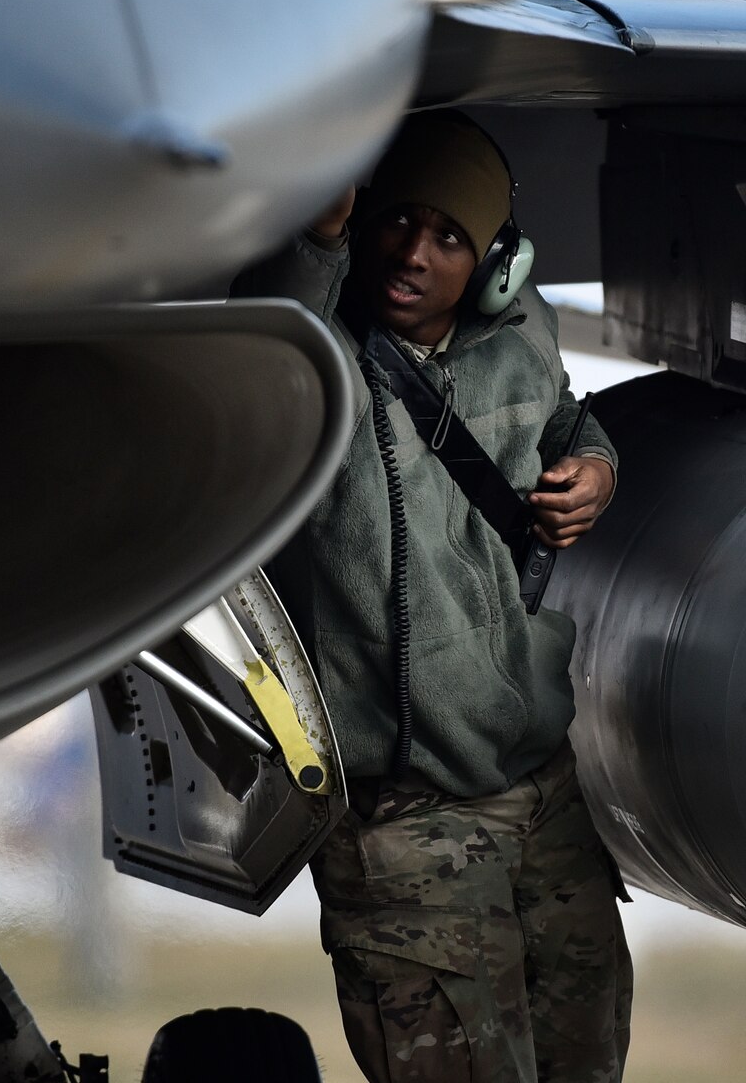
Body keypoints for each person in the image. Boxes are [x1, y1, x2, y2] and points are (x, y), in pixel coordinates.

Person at [233, 110, 631, 1083]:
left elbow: (570, 416)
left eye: (449, 236)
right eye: (396, 221)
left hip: (538, 790)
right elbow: (273, 315)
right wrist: (319, 225)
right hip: (402, 820)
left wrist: (593, 468)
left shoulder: (517, 332)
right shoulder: (310, 349)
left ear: (495, 262)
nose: (413, 253)